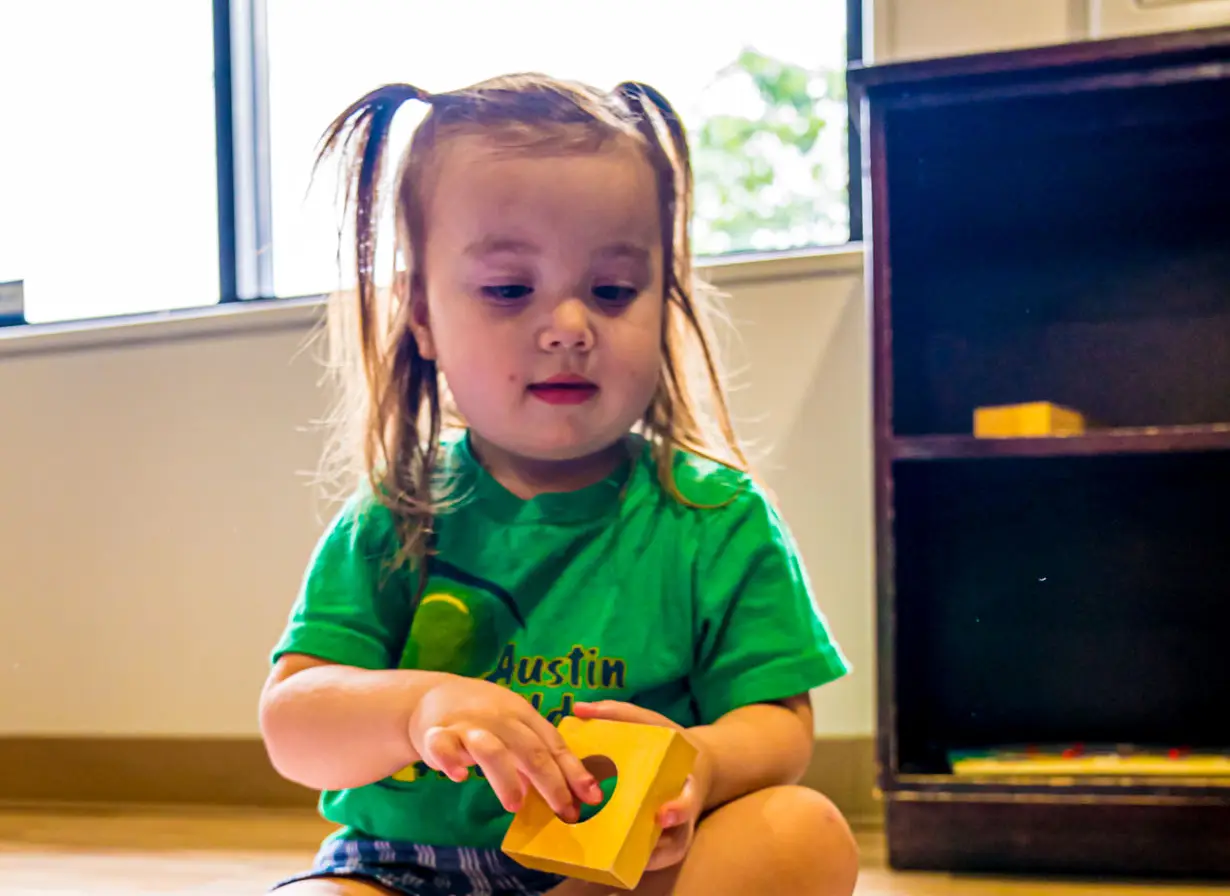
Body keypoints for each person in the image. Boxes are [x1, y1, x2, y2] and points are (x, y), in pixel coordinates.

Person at [258, 72, 858, 896]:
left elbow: (781, 722)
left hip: (613, 875)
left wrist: (706, 764)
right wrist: (416, 708)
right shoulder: (394, 519)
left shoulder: (715, 518)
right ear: (421, 316)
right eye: (510, 290)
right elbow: (294, 723)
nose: (571, 327)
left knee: (802, 834)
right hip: (398, 873)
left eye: (613, 291)